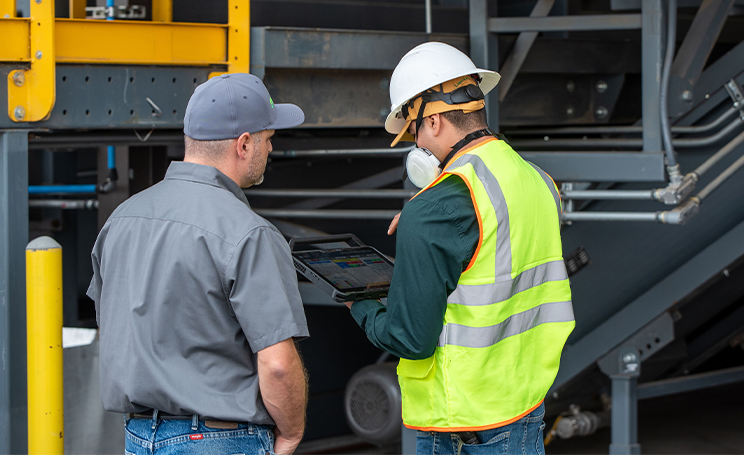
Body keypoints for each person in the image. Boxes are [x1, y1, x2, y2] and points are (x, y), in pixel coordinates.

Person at [348, 42, 575, 455]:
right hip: (525, 410)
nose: (417, 144)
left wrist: (359, 306)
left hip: (464, 428)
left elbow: (410, 339)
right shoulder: (540, 182)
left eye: (414, 131)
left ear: (433, 121)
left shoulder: (433, 210)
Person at [88, 73, 310, 455]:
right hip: (218, 440)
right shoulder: (250, 233)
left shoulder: (121, 220)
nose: (270, 150)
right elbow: (276, 365)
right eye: (268, 139)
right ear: (243, 144)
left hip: (139, 437)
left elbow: (112, 323)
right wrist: (291, 434)